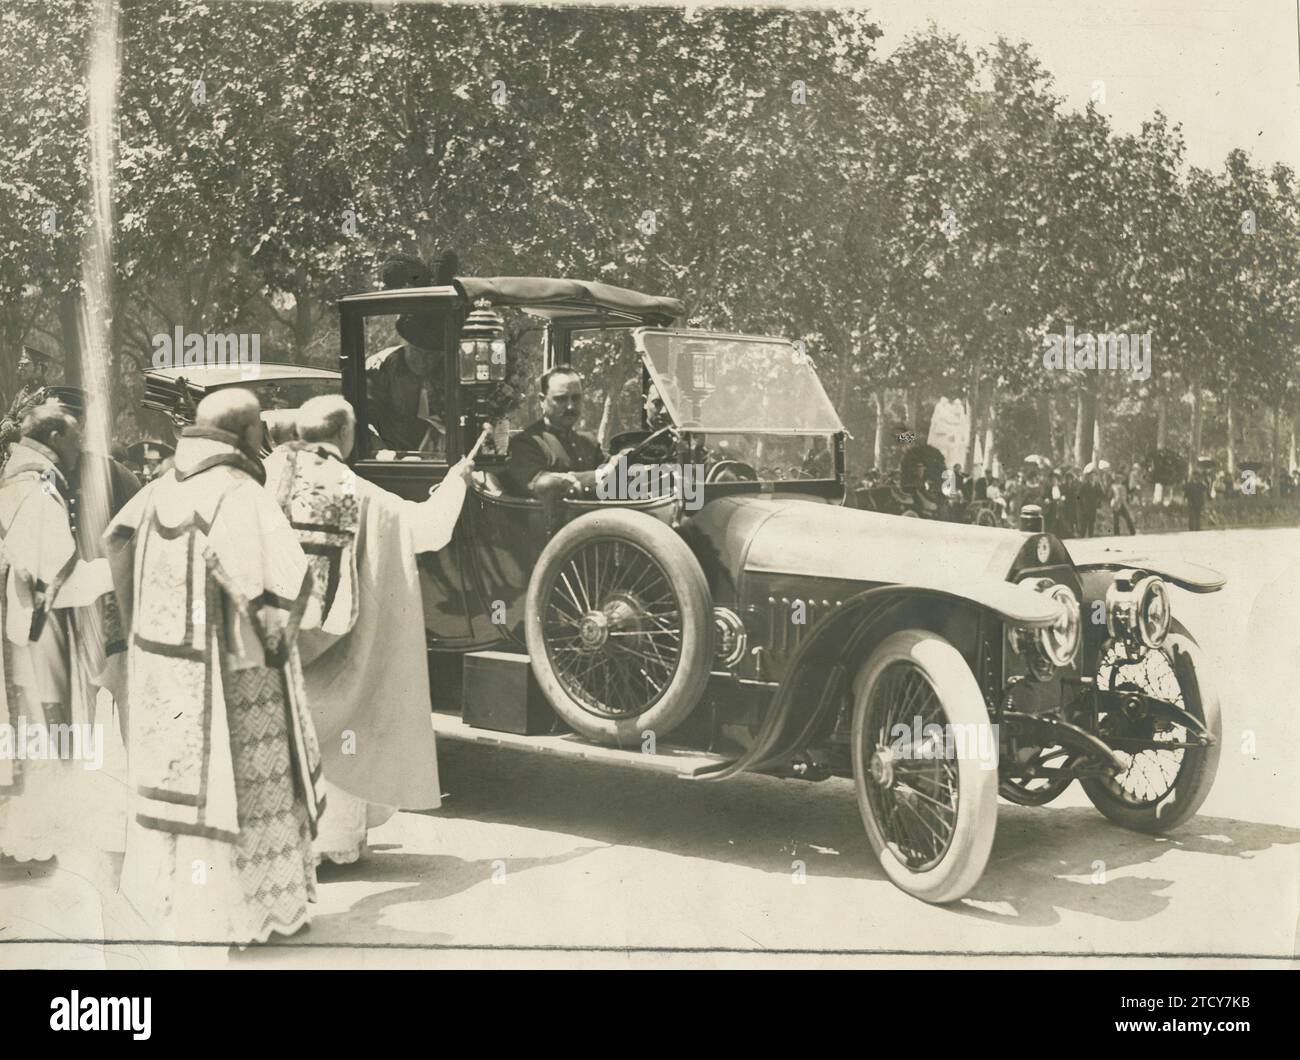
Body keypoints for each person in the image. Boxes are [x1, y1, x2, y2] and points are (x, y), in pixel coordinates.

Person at [104, 389, 324, 947]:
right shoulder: (239, 492)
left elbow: (117, 544)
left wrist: (140, 633)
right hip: (238, 669)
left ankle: (183, 912)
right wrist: (277, 632)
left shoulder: (156, 490)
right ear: (250, 434)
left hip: (169, 672)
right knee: (246, 785)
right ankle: (251, 915)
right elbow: (289, 578)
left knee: (182, 793)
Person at [264, 396, 472, 865]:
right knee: (343, 728)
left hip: (274, 637)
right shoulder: (357, 492)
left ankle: (290, 843)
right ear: (346, 436)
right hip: (335, 643)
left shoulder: (269, 479)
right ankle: (334, 844)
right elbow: (429, 528)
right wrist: (455, 483)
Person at [0, 402, 122, 863]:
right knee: (37, 732)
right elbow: (60, 578)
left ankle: (25, 834)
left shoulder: (17, 477)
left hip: (18, 623)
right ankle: (32, 840)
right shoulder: (38, 489)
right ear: (53, 438)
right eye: (74, 440)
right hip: (34, 630)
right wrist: (118, 573)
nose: (79, 450)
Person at [365, 252, 458, 455]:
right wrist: (380, 453)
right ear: (405, 343)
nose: (425, 362)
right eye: (418, 352)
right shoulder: (379, 367)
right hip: (392, 466)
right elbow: (361, 420)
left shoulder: (452, 370)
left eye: (432, 355)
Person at [502, 366, 614, 499]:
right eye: (561, 399)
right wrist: (602, 474)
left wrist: (621, 460)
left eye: (576, 398)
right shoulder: (525, 444)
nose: (570, 406)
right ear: (542, 401)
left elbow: (612, 469)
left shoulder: (588, 442)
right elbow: (545, 486)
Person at [0, 347, 53, 462]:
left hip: (34, 454)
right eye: (20, 365)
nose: (20, 369)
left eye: (25, 365)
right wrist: (7, 423)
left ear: (38, 368)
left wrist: (13, 431)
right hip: (13, 447)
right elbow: (10, 415)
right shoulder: (22, 393)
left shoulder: (47, 395)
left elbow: (41, 431)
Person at [1109, 469, 1136, 535]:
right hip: (1116, 504)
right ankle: (1116, 532)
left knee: (1127, 517)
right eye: (1118, 479)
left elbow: (1127, 494)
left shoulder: (1124, 487)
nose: (1119, 480)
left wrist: (1133, 489)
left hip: (1123, 504)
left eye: (1120, 479)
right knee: (1116, 519)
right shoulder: (1112, 486)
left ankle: (1132, 531)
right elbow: (1109, 495)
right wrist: (1112, 501)